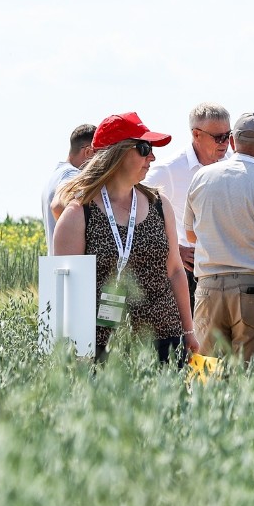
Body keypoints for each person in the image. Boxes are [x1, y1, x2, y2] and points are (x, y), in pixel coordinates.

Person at [51, 113, 198, 364]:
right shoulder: (78, 213)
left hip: (164, 338)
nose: (152, 157)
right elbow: (67, 290)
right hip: (102, 346)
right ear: (116, 154)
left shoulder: (159, 205)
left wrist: (189, 331)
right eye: (143, 148)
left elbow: (174, 271)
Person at [183, 112, 254, 361]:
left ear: (232, 141)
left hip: (208, 287)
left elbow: (190, 233)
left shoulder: (202, 177)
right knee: (251, 377)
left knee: (208, 372)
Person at [144, 103, 232, 299]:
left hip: (227, 268)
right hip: (190, 272)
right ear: (196, 135)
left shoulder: (232, 162)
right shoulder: (170, 170)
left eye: (229, 135)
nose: (225, 143)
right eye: (219, 137)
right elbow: (132, 203)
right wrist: (173, 249)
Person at [42, 123, 96, 251]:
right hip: (70, 265)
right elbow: (59, 205)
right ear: (88, 152)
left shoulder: (56, 175)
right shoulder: (72, 175)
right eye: (100, 155)